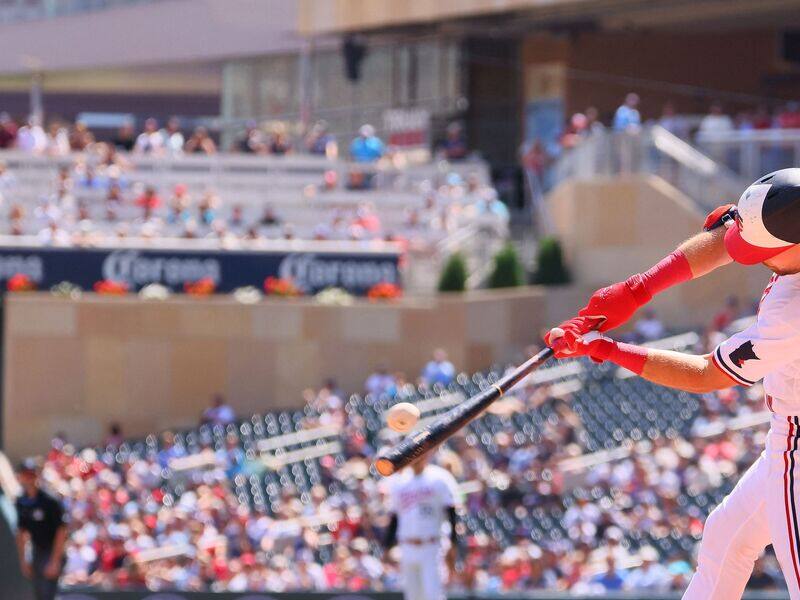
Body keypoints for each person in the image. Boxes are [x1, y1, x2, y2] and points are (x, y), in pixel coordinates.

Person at [544, 167, 800, 599]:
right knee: (726, 538)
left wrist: (606, 349)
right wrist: (636, 289)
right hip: (786, 435)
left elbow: (705, 374)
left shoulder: (792, 314)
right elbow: (724, 239)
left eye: (761, 251)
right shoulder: (790, 207)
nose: (750, 255)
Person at [384, 453, 460, 600]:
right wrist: (387, 546)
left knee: (433, 595)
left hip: (431, 545)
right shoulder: (399, 481)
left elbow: (451, 510)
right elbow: (394, 517)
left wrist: (453, 542)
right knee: (412, 596)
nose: (415, 458)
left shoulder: (439, 477)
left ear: (426, 455)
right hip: (406, 546)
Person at [15, 458, 67, 600]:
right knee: (39, 593)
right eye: (26, 474)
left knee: (48, 592)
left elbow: (61, 531)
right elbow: (21, 532)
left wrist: (55, 560)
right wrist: (24, 560)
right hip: (37, 551)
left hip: (52, 551)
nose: (30, 478)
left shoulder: (49, 500)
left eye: (32, 474)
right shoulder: (21, 501)